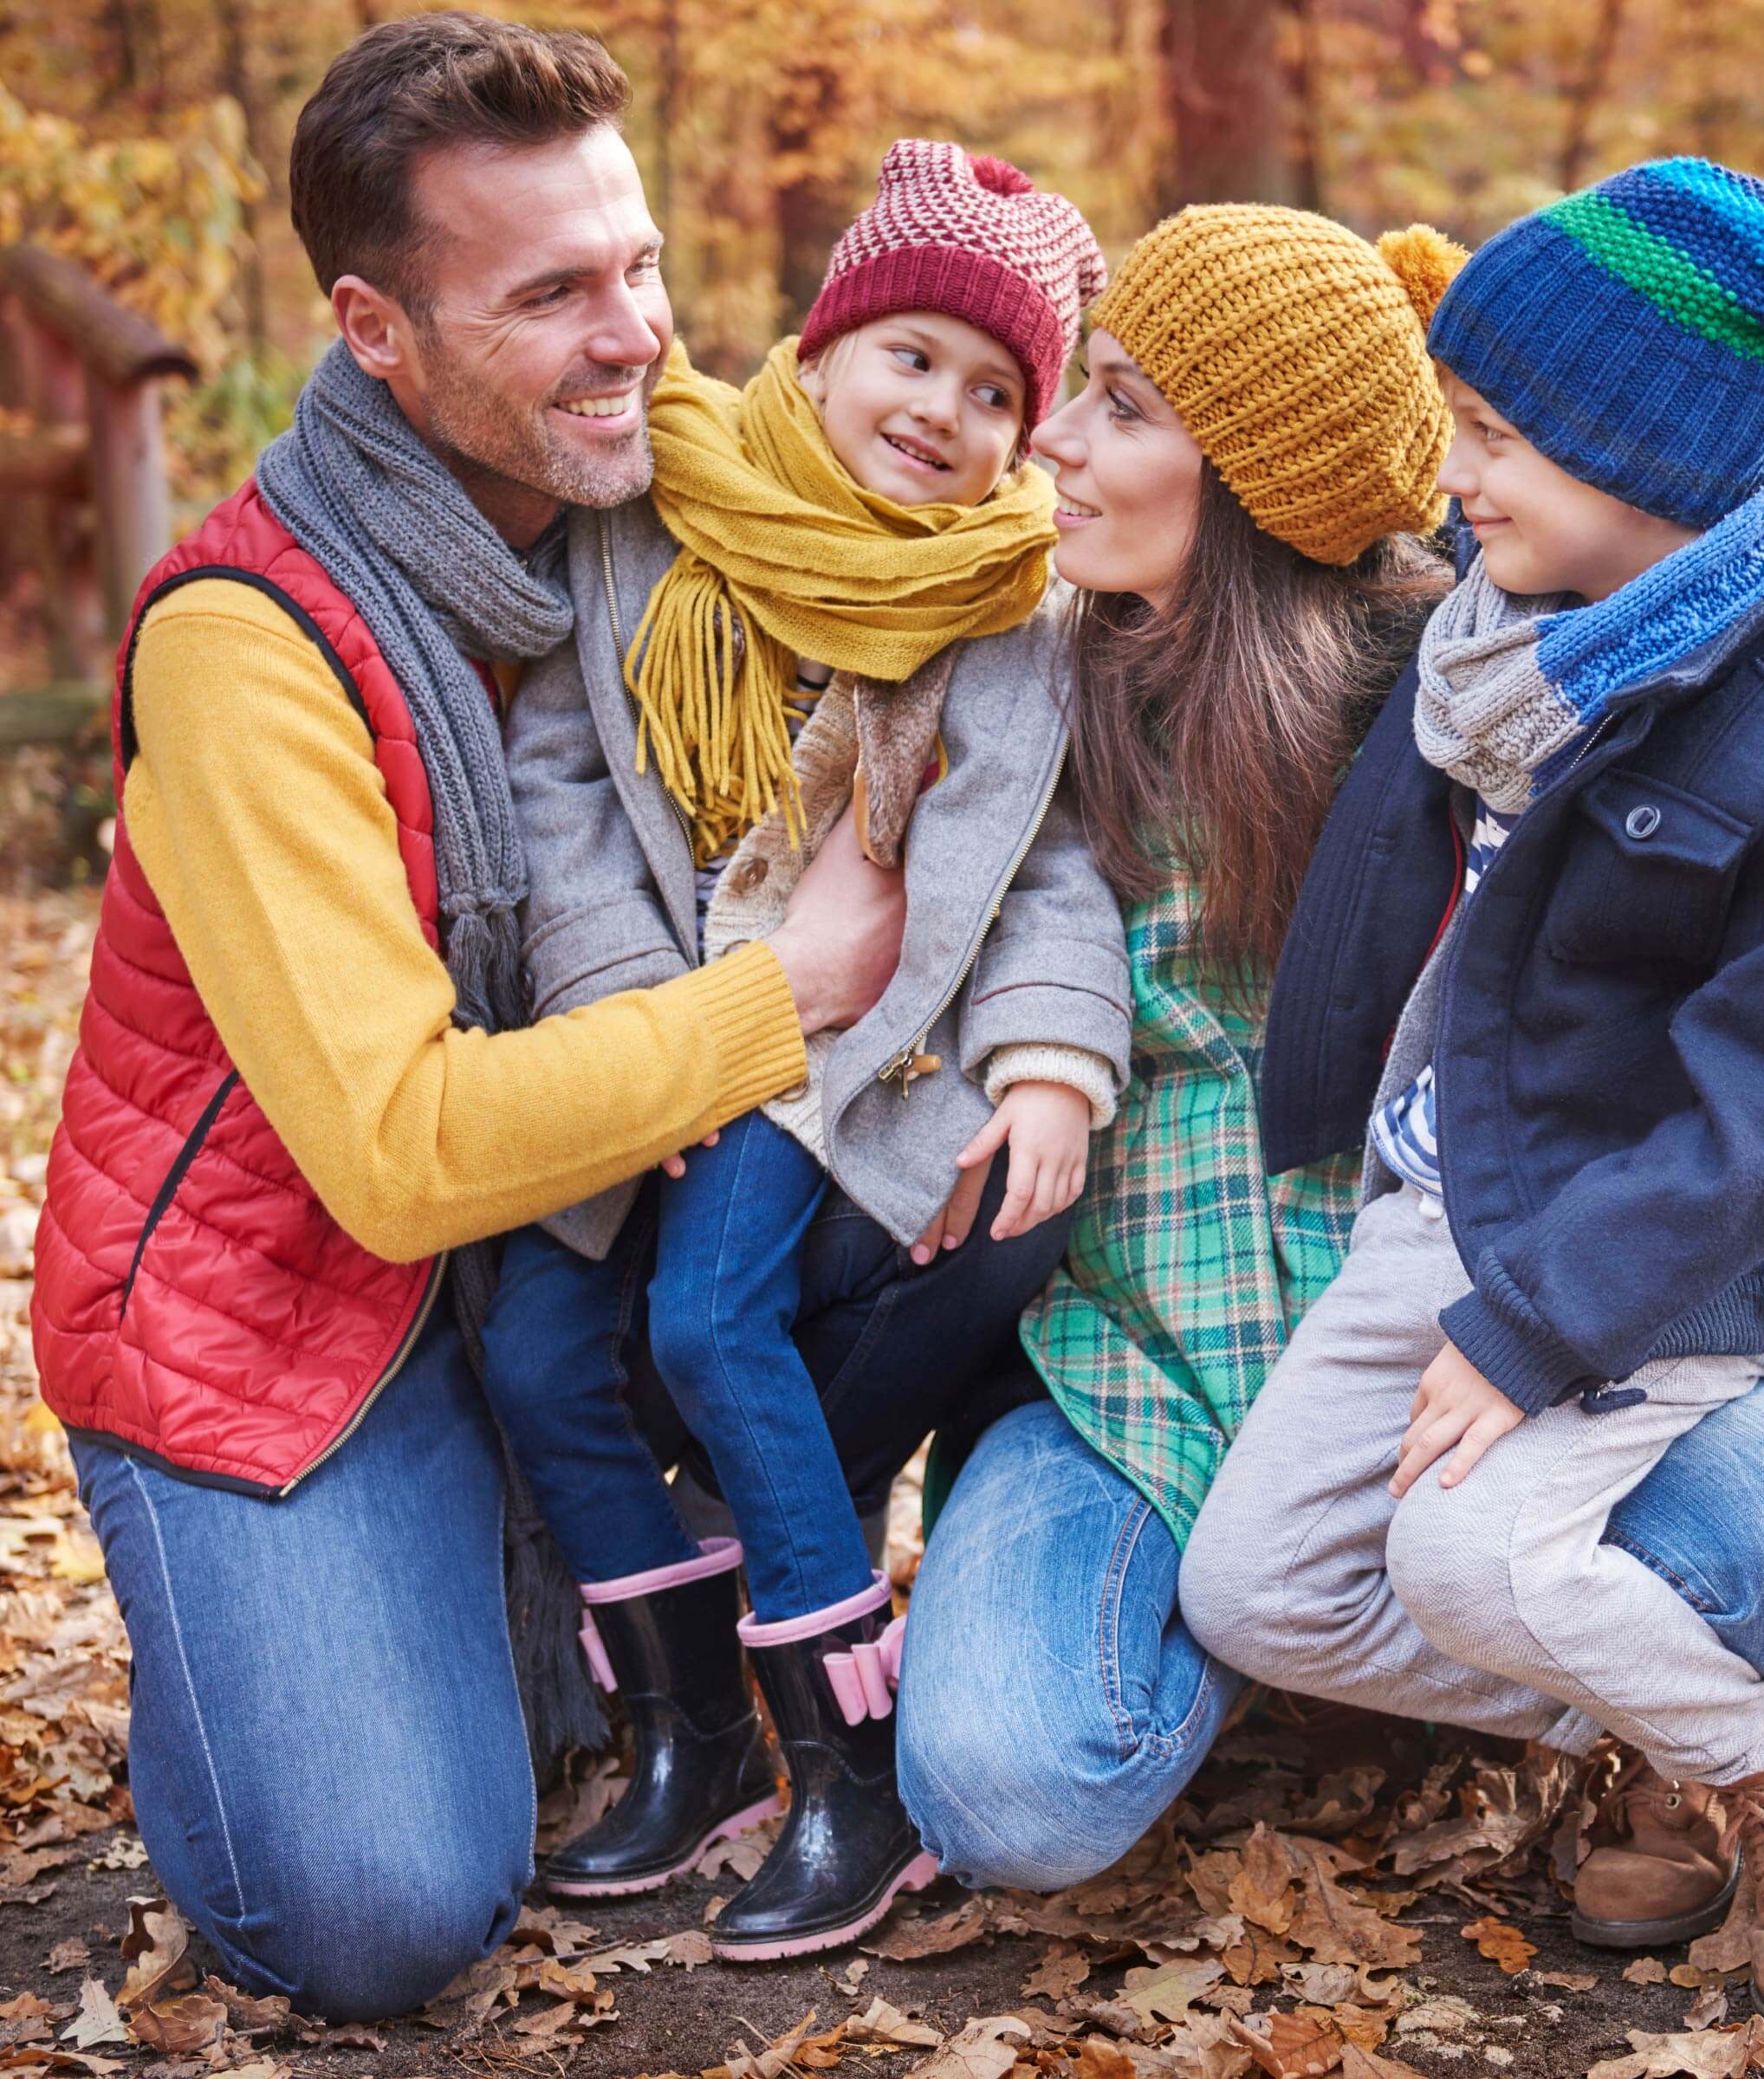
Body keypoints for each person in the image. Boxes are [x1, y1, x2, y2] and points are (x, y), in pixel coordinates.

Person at [28, 17, 1042, 2023]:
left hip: (572, 1242)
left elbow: (961, 628)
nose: (637, 336)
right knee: (379, 1909)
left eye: (643, 263)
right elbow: (400, 1157)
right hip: (296, 1311)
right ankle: (261, 1642)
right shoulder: (250, 649)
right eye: (555, 293)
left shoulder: (668, 510)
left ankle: (789, 1671)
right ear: (376, 332)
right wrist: (784, 995)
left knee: (958, 1205)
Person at [893, 199, 1764, 1922]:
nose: (1050, 441)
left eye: (1122, 405)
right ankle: (1420, 1663)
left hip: (1489, 1313)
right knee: (1020, 1787)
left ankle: (1699, 1732)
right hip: (1147, 1365)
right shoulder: (1022, 696)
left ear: (1256, 478)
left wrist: (1557, 1328)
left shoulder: (1481, 695)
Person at [1179, 161, 1764, 2037]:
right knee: (1261, 1591)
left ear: (1660, 464)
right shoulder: (1498, 651)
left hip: (1659, 1263)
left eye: (1502, 436)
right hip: (1445, 1202)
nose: (1460, 473)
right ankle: (1662, 1717)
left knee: (1458, 1551)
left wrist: (1536, 1326)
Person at [480, 139, 1125, 1956]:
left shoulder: (1007, 618)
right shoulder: (657, 529)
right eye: (913, 356)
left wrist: (1059, 1062)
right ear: (827, 345)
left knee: (705, 1320)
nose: (946, 412)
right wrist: (633, 1027)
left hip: (842, 1059)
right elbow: (564, 808)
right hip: (656, 1029)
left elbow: (1043, 877)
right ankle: (693, 1742)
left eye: (998, 391)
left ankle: (845, 1777)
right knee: (539, 1344)